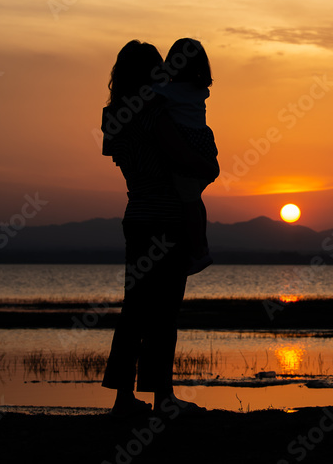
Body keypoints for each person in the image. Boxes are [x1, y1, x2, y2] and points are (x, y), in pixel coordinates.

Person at [100, 40, 219, 419]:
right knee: (164, 314)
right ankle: (162, 398)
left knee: (133, 310)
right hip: (167, 218)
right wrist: (209, 166)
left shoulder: (113, 116)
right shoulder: (155, 114)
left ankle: (122, 399)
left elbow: (118, 155)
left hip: (136, 215)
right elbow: (184, 158)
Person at [152, 38, 218, 275]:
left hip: (188, 148)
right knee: (194, 198)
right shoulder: (200, 90)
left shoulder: (167, 91)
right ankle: (202, 245)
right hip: (205, 147)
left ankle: (199, 251)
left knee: (189, 200)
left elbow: (150, 92)